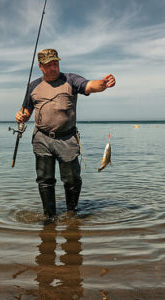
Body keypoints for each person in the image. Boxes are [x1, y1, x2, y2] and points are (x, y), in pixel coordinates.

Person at [15, 48, 115, 219]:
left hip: (67, 138)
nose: (54, 67)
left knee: (72, 180)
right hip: (42, 138)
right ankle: (49, 217)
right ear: (41, 66)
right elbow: (25, 113)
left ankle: (71, 213)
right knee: (45, 180)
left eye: (56, 63)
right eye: (49, 65)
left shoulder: (71, 80)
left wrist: (104, 83)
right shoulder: (33, 86)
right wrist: (21, 116)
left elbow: (90, 85)